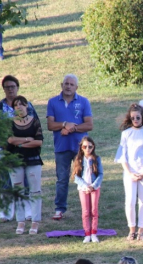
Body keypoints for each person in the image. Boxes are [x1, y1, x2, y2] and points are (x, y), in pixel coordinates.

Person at [47, 74, 93, 220]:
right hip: (61, 147)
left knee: (86, 177)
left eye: (71, 84)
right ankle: (59, 209)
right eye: (66, 83)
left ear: (76, 87)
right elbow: (50, 125)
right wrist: (64, 124)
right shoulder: (53, 102)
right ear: (62, 85)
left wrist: (72, 128)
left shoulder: (84, 102)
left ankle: (89, 209)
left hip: (81, 148)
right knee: (62, 179)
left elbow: (89, 125)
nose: (68, 86)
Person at [0, 75, 37, 222]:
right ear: (3, 89)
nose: (10, 89)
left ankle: (28, 211)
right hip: (5, 148)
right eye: (7, 87)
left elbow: (34, 126)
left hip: (23, 148)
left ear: (17, 88)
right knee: (5, 180)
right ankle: (6, 212)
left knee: (24, 180)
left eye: (13, 86)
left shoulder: (27, 106)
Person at [114, 104, 143, 241]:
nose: (135, 120)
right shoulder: (126, 134)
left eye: (138, 117)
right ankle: (131, 229)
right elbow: (122, 156)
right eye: (133, 118)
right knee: (130, 201)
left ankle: (141, 230)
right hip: (130, 172)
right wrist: (130, 173)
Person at [6, 95, 44, 235]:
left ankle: (35, 222)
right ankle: (20, 221)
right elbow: (10, 140)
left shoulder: (34, 122)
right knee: (18, 191)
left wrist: (20, 143)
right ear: (13, 108)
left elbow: (39, 142)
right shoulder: (10, 123)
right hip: (15, 160)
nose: (19, 107)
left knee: (35, 191)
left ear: (27, 106)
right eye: (16, 105)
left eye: (22, 104)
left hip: (33, 159)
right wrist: (27, 140)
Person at [73, 136, 104, 243]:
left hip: (94, 188)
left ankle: (94, 233)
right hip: (83, 189)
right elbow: (76, 176)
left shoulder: (96, 159)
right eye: (85, 147)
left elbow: (100, 174)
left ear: (93, 147)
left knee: (94, 211)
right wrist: (86, 186)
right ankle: (87, 233)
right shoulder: (78, 159)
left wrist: (93, 186)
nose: (87, 149)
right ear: (81, 147)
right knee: (85, 211)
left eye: (90, 147)